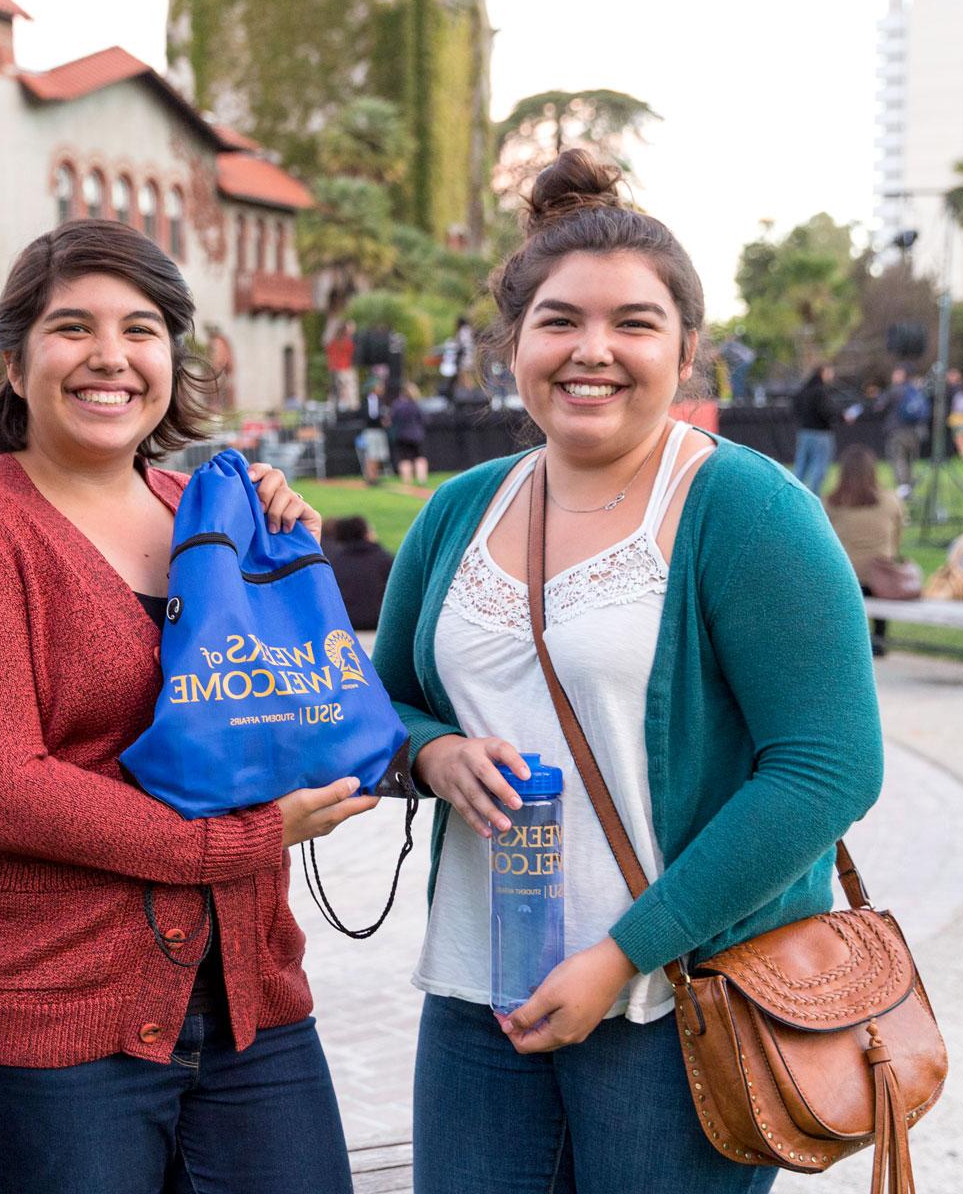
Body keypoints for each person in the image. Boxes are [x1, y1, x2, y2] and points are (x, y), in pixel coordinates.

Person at [371, 150, 882, 1194]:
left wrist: (621, 956)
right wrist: (432, 754)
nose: (591, 350)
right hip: (481, 995)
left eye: (634, 324)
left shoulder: (746, 509)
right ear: (513, 344)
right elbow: (380, 705)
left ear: (686, 349)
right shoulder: (461, 510)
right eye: (559, 321)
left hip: (679, 1002)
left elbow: (828, 770)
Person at [0, 218, 374, 1194]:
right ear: (17, 362)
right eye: (73, 328)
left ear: (172, 358)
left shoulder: (209, 511)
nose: (109, 356)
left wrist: (287, 567)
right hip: (52, 1019)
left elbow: (276, 705)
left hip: (250, 999)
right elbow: (0, 791)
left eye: (142, 328)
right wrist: (244, 839)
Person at [824, 445, 906, 652]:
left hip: (847, 577)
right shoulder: (890, 501)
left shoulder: (831, 504)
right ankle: (880, 639)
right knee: (878, 567)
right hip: (882, 577)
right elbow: (897, 539)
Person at [326, 514, 394, 631]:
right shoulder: (385, 559)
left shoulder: (333, 562)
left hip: (345, 626)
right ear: (366, 533)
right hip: (378, 625)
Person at [791, 364, 839, 495]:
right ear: (822, 373)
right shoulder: (820, 392)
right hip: (821, 434)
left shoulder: (804, 390)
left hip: (804, 433)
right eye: (829, 373)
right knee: (819, 467)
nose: (831, 376)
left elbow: (795, 408)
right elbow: (827, 411)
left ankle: (794, 494)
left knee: (801, 467)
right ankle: (814, 495)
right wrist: (837, 415)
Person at [882, 366, 927, 494]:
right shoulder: (915, 390)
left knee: (898, 458)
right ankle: (909, 487)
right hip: (915, 431)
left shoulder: (894, 391)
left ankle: (903, 488)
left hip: (897, 431)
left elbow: (880, 406)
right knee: (910, 460)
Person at [389, 381, 429, 486]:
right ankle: (422, 479)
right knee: (419, 457)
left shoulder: (397, 405)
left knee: (405, 458)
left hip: (402, 435)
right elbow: (423, 419)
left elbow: (392, 419)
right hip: (416, 435)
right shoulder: (416, 405)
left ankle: (407, 481)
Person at [358, 368, 391, 484]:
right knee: (371, 454)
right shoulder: (370, 399)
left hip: (378, 430)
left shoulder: (380, 400)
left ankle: (374, 477)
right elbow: (370, 415)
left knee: (377, 455)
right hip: (371, 430)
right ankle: (370, 477)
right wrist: (379, 420)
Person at [325, 318, 357, 410]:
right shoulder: (348, 343)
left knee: (335, 393)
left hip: (335, 370)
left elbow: (329, 354)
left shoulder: (333, 342)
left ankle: (333, 409)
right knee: (350, 394)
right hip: (345, 369)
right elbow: (352, 353)